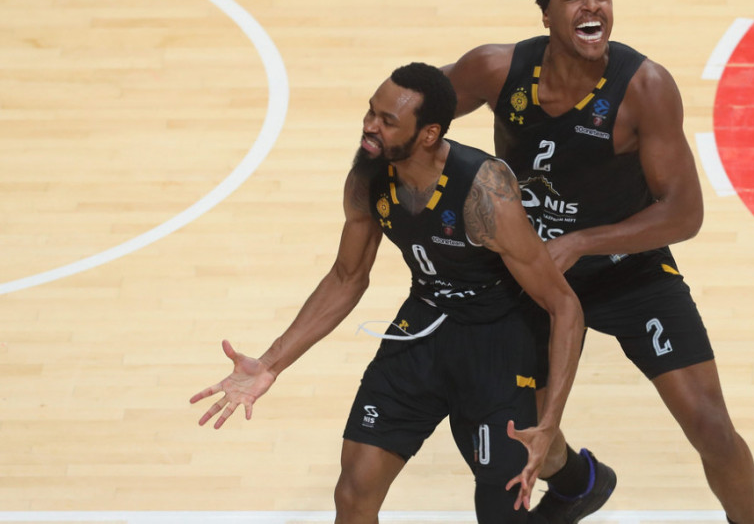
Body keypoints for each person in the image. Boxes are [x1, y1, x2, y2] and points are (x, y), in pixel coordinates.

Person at [442, 0, 754, 524]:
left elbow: (684, 214)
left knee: (711, 427)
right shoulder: (498, 69)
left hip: (628, 271)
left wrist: (582, 242)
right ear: (546, 14)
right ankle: (579, 482)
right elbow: (413, 109)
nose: (591, 6)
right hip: (535, 273)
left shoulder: (644, 86)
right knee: (522, 434)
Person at [190, 62, 586, 524]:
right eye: (370, 112)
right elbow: (347, 277)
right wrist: (271, 363)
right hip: (424, 323)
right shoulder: (369, 177)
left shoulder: (483, 192)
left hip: (498, 337)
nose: (370, 126)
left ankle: (580, 480)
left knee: (503, 508)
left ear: (428, 134)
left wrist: (549, 420)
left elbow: (564, 306)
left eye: (387, 120)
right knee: (354, 490)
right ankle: (577, 478)